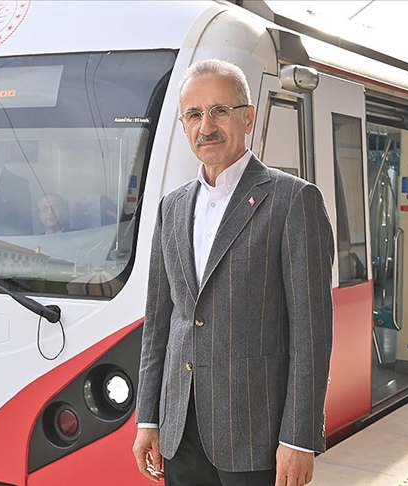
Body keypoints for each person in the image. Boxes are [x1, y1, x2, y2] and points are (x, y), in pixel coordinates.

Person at [132, 59, 334, 486]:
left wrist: (299, 440)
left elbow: (311, 333)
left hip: (255, 436)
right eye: (194, 114)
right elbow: (159, 326)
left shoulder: (293, 201)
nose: (206, 126)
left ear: (248, 117)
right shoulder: (171, 208)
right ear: (184, 125)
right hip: (180, 432)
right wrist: (147, 418)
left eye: (220, 111)